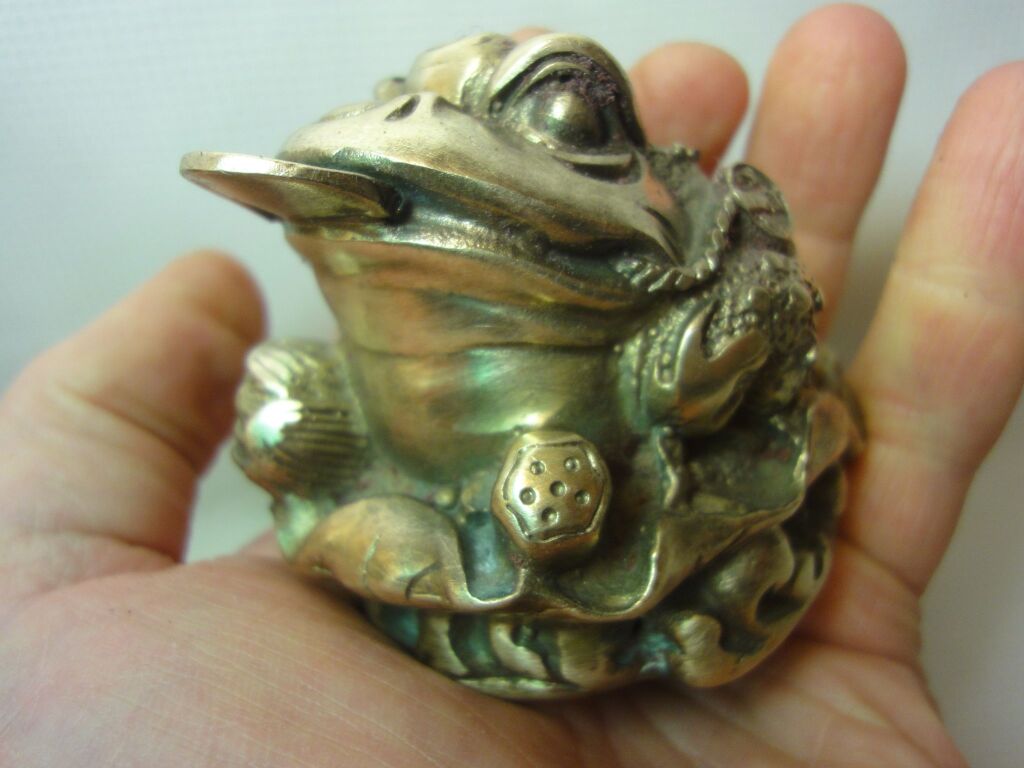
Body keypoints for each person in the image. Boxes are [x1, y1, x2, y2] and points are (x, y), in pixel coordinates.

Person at [0, 5, 1019, 766]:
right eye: (403, 95)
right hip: (398, 510)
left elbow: (715, 374)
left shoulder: (694, 284)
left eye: (560, 107)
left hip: (656, 503)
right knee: (293, 411)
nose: (410, 115)